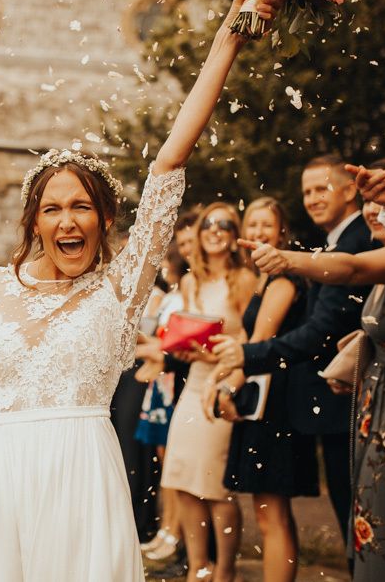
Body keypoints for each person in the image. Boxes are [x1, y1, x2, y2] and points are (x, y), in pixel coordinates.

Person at [0, 0, 282, 581]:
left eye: (82, 208)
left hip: (82, 482)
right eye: (53, 209)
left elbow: (170, 162)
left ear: (105, 219)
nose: (67, 220)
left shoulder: (121, 287)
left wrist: (227, 38)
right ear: (35, 222)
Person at [244, 158, 385, 581]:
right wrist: (365, 347)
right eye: (370, 202)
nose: (372, 211)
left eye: (382, 201)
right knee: (372, 521)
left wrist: (287, 259)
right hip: (377, 402)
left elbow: (351, 268)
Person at [214, 154, 374, 541]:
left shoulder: (357, 243)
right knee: (351, 520)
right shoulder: (331, 243)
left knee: (360, 523)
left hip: (348, 402)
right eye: (307, 192)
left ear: (351, 189)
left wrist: (246, 357)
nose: (313, 198)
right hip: (330, 403)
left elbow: (321, 330)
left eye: (322, 188)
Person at [205, 197, 318, 582]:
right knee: (270, 512)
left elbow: (259, 342)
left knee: (273, 516)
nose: (257, 233)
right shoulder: (266, 279)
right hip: (266, 401)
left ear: (282, 232)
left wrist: (225, 389)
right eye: (252, 226)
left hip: (276, 405)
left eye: (266, 226)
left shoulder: (284, 279)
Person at [161, 202, 257, 582]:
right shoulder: (190, 281)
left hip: (223, 384)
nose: (215, 230)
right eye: (209, 225)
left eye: (225, 225)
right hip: (194, 381)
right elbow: (186, 330)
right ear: (198, 234)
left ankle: (224, 571)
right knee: (183, 480)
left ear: (234, 235)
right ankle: (196, 567)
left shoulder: (243, 280)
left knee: (215, 486)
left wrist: (220, 362)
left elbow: (252, 338)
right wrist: (181, 348)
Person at [134, 245, 187, 564]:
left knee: (174, 464)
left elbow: (171, 344)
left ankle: (175, 532)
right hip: (160, 382)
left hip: (172, 378)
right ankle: (166, 528)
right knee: (164, 462)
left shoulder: (183, 296)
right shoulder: (171, 296)